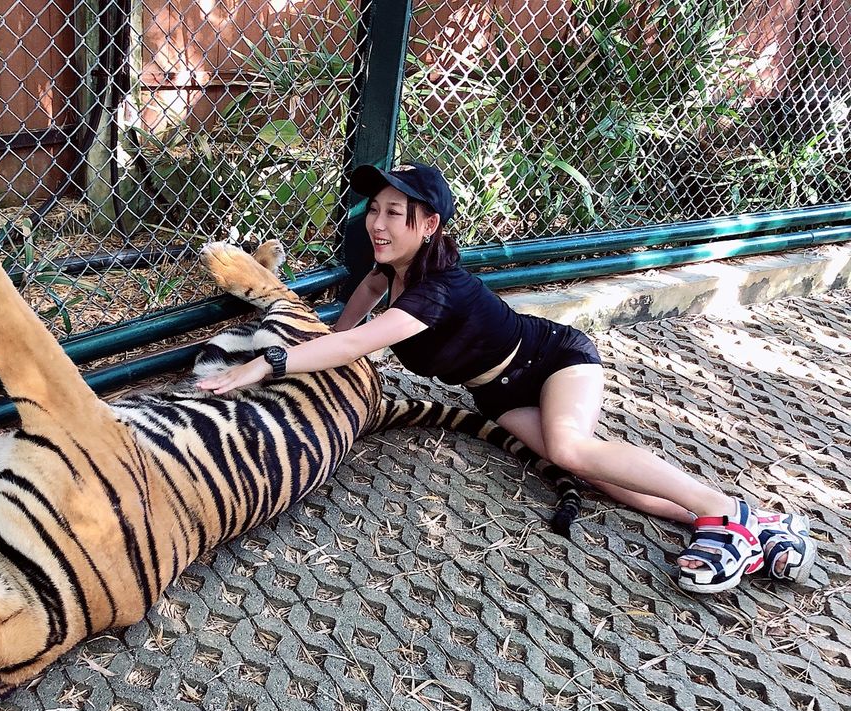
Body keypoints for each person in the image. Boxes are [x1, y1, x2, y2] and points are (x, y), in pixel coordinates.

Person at [196, 162, 817, 594]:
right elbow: (357, 309)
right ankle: (753, 528)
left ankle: (725, 509)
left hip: (551, 361)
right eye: (374, 211)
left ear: (428, 225)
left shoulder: (436, 291)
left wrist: (263, 363)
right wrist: (327, 340)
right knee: (586, 474)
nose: (377, 225)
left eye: (394, 214)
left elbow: (358, 344)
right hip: (495, 390)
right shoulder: (392, 275)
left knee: (574, 448)